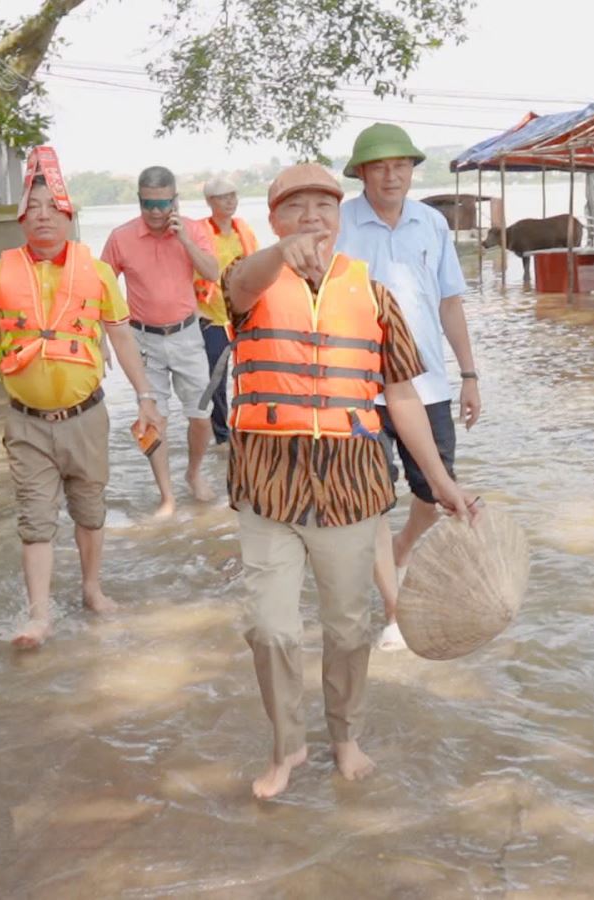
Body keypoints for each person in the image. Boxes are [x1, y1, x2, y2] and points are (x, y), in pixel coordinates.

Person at [222, 163, 477, 800]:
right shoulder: (250, 281)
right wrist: (280, 255)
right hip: (267, 485)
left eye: (324, 208)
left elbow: (402, 395)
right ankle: (287, 747)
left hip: (351, 483)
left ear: (340, 219)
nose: (312, 218)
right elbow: (240, 285)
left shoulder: (372, 292)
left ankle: (345, 735)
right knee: (271, 627)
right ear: (273, 219)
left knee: (347, 627)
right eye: (296, 208)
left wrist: (442, 482)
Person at [0, 148, 164, 650]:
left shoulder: (97, 272)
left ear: (70, 214)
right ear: (21, 216)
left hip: (86, 417)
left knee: (90, 509)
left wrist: (146, 396)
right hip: (26, 422)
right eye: (34, 207)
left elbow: (121, 336)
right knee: (35, 516)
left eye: (54, 206)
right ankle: (39, 615)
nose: (43, 215)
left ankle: (92, 590)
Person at [335, 123, 482, 652]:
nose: (392, 174)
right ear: (361, 173)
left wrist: (468, 375)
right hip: (356, 386)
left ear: (413, 170)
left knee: (435, 490)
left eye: (401, 164)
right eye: (380, 165)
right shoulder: (340, 224)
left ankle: (403, 546)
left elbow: (449, 303)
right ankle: (396, 612)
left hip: (426, 383)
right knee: (373, 499)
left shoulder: (432, 223)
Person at [101, 166, 220, 516]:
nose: (155, 212)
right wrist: (101, 337)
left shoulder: (194, 230)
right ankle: (166, 495)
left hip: (186, 334)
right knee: (153, 421)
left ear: (175, 200)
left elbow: (213, 273)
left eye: (163, 204)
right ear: (139, 201)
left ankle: (194, 473)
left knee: (202, 415)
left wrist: (182, 238)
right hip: (142, 339)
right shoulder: (121, 238)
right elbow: (99, 289)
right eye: (148, 204)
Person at [191, 176, 259, 444]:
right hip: (210, 316)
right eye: (223, 196)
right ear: (209, 202)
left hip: (243, 314)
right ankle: (221, 436)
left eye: (233, 194)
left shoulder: (245, 230)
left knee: (252, 374)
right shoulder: (199, 233)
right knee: (215, 381)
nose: (230, 200)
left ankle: (250, 427)